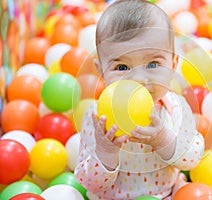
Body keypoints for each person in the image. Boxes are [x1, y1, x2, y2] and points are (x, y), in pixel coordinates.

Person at [74, 0, 204, 199]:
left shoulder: (174, 107)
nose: (138, 80)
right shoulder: (97, 117)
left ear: (173, 64)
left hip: (166, 195)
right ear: (101, 71)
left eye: (153, 64)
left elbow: (192, 158)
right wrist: (105, 152)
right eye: (122, 68)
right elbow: (88, 182)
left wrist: (163, 140)